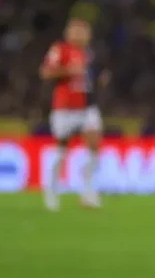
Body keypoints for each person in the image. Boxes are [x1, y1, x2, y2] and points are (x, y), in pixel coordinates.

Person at [39, 18, 109, 211]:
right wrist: (67, 71)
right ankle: (51, 191)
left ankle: (88, 192)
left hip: (86, 106)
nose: (80, 35)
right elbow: (45, 72)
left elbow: (90, 78)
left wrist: (100, 80)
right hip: (64, 108)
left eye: (84, 31)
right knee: (62, 149)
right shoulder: (60, 49)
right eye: (77, 31)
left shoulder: (90, 54)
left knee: (94, 144)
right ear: (68, 33)